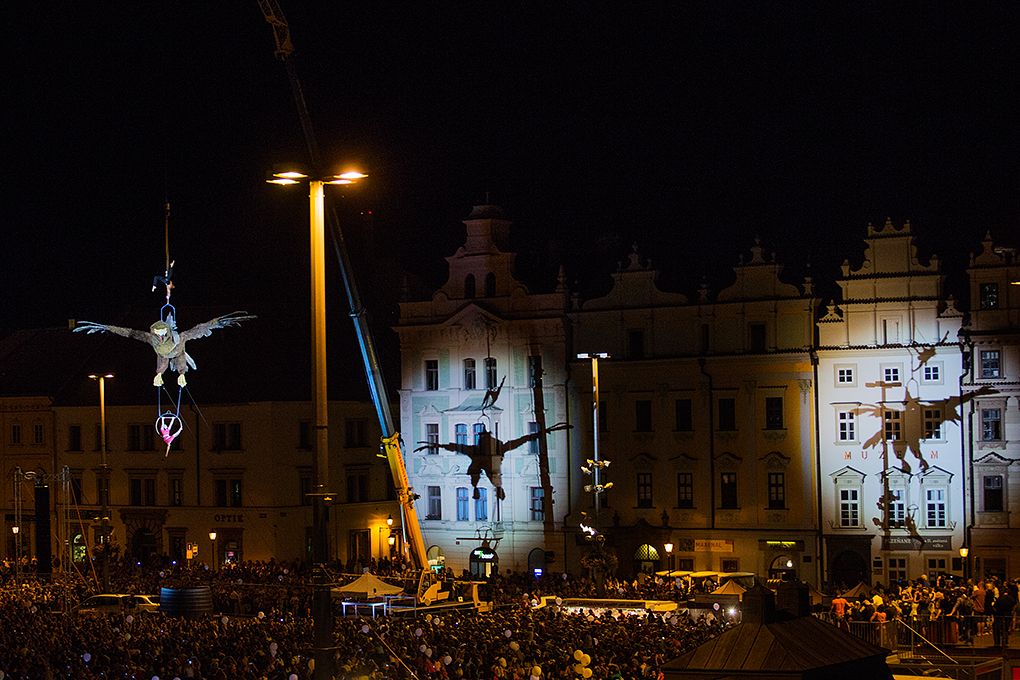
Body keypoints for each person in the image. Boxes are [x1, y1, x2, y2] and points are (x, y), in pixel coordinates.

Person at [992, 582, 1017, 648]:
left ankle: (997, 643)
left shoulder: (1000, 599)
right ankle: (1005, 642)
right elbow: (1014, 606)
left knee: (997, 630)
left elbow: (995, 607)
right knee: (1005, 630)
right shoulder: (1011, 599)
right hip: (1008, 615)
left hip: (999, 616)